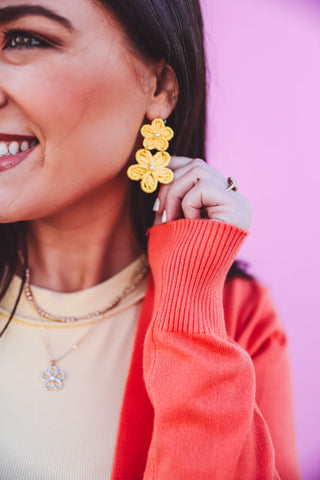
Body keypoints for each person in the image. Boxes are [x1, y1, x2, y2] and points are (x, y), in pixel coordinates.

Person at [0, 1, 301, 479]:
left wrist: (191, 306)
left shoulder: (237, 318)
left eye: (24, 39)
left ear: (159, 87)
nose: (13, 49)